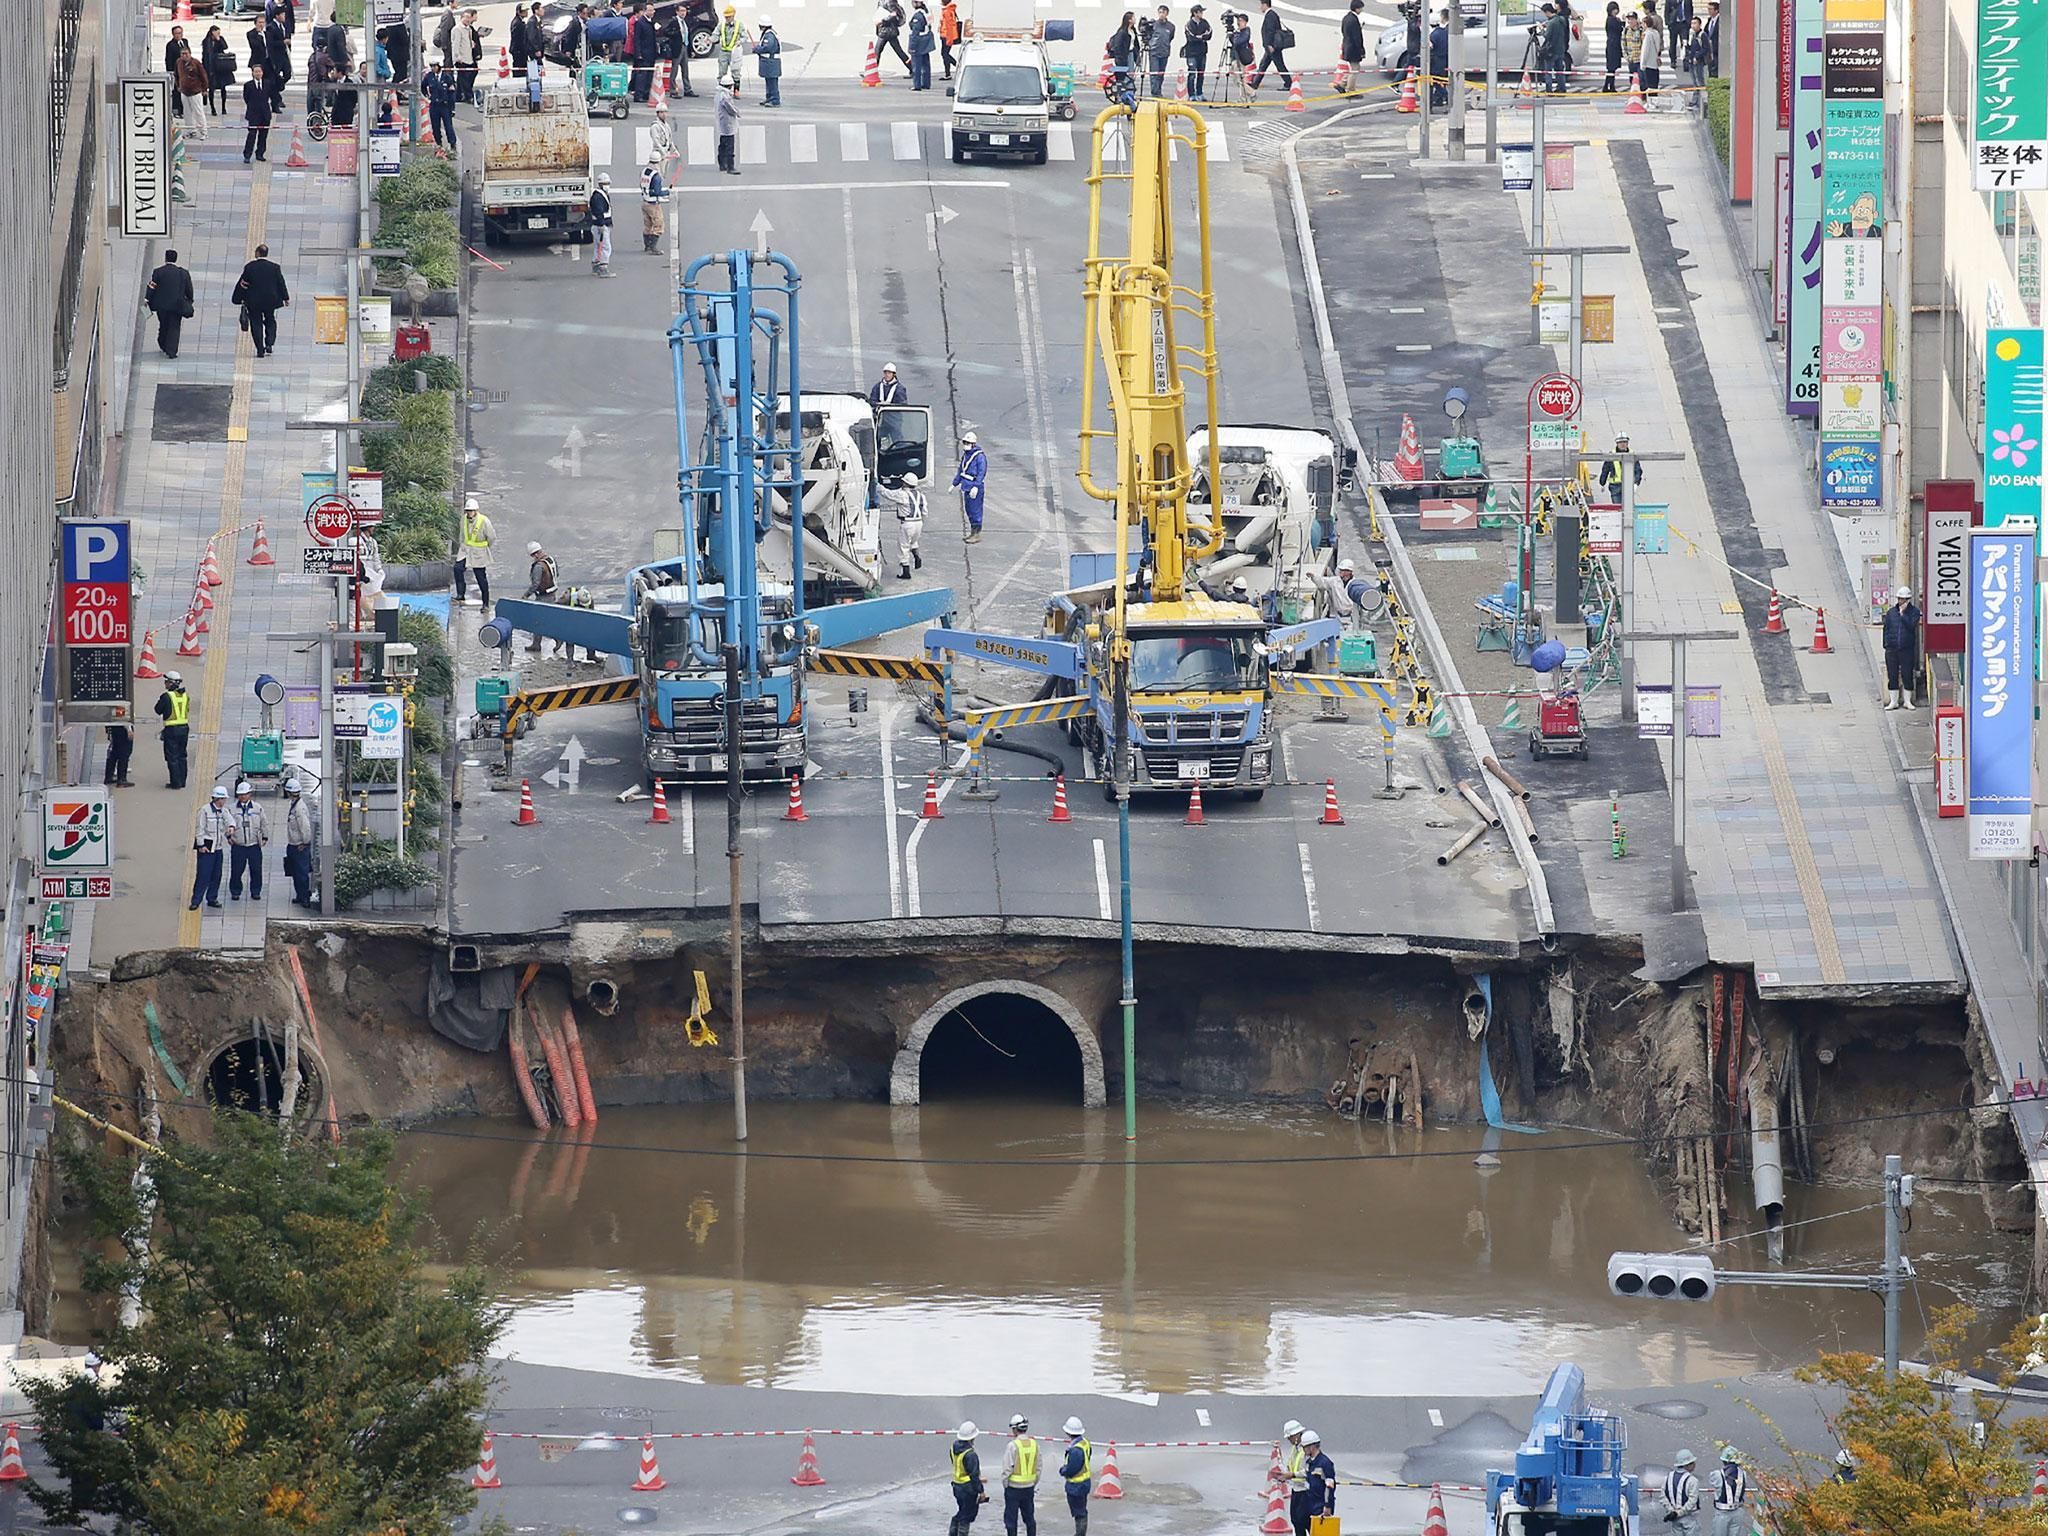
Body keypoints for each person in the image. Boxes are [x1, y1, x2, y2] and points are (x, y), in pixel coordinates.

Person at [232, 243, 289, 359]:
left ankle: (259, 349)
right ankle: (269, 343)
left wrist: (239, 298)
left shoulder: (250, 267)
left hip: (254, 301)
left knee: (256, 322)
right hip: (270, 300)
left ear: (257, 253)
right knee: (270, 319)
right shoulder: (275, 267)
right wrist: (285, 297)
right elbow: (281, 283)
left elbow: (243, 283)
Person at [146, 251, 195, 360]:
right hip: (177, 305)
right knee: (174, 327)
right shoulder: (183, 273)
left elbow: (152, 287)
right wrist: (190, 300)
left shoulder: (158, 272)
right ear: (176, 259)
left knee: (163, 324)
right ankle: (171, 351)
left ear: (165, 258)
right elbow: (189, 289)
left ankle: (162, 343)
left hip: (161, 306)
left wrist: (147, 299)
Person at [226, 780, 268, 901]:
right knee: (236, 870)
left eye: (245, 794)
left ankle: (256, 891)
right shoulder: (231, 809)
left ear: (250, 794)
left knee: (256, 870)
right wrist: (228, 837)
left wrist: (265, 837)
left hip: (254, 845)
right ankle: (235, 891)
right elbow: (226, 824)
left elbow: (264, 823)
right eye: (240, 794)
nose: (243, 797)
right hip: (238, 845)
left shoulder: (257, 808)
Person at [190, 787, 230, 912]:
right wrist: (201, 845)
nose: (224, 801)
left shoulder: (223, 811)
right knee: (203, 875)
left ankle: (212, 898)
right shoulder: (204, 811)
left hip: (218, 848)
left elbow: (229, 820)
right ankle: (196, 900)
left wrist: (231, 828)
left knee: (216, 875)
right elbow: (200, 829)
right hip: (207, 848)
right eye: (222, 799)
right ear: (217, 798)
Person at [1000, 1414, 1039, 1536]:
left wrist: (1005, 1484)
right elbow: (1039, 1468)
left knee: (1011, 1520)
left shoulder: (1013, 1445)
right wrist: (1033, 1482)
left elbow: (1007, 1469)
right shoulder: (1034, 1444)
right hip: (1029, 1488)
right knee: (1029, 1518)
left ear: (1015, 1429)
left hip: (1013, 1489)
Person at [1882, 585, 1920, 709]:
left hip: (1907, 648)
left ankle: (1907, 700)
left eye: (1903, 599)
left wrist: (1903, 615)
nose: (1900, 602)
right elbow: (1886, 628)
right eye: (1899, 599)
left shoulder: (1914, 612)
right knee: (1892, 674)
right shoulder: (1891, 612)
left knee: (1907, 673)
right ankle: (1893, 701)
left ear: (1908, 600)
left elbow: (1911, 626)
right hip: (1892, 648)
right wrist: (1886, 644)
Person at [282, 778, 316, 907]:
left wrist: (305, 842)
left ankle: (304, 897)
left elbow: (305, 827)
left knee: (301, 873)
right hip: (293, 844)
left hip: (299, 846)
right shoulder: (295, 805)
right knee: (295, 872)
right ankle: (300, 895)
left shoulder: (299, 808)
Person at [949, 1421, 986, 1536]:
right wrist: (981, 1491)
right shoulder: (970, 1454)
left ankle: (953, 1532)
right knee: (967, 1516)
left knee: (961, 1512)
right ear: (972, 1437)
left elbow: (959, 1467)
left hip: (956, 1486)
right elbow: (973, 1476)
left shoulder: (953, 1448)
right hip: (968, 1490)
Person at [456, 495, 495, 605]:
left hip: (479, 553)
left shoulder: (484, 521)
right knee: (458, 569)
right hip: (465, 551)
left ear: (476, 511)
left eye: (471, 511)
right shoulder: (464, 519)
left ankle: (485, 603)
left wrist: (484, 547)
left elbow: (491, 537)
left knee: (481, 578)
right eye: (468, 511)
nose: (469, 513)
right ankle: (460, 595)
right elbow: (461, 534)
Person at [155, 672, 192, 788]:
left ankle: (175, 783)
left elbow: (158, 710)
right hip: (184, 729)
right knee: (182, 755)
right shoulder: (185, 695)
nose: (165, 684)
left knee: (172, 757)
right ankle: (182, 781)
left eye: (166, 682)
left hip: (171, 730)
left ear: (171, 683)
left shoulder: (167, 696)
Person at [887, 472, 927, 577]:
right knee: (913, 541)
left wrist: (878, 487)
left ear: (905, 483)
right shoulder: (921, 495)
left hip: (907, 523)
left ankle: (906, 572)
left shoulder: (902, 494)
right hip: (919, 522)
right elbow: (925, 512)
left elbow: (888, 494)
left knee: (903, 546)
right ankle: (917, 556)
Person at [952, 430, 987, 542]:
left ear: (973, 444)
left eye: (968, 443)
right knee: (969, 509)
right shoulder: (966, 456)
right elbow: (961, 470)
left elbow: (981, 472)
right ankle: (972, 532)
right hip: (966, 485)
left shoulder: (979, 457)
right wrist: (955, 483)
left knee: (975, 510)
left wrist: (976, 486)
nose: (965, 445)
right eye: (965, 442)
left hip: (974, 486)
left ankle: (977, 533)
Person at [1299, 1429, 1336, 1536]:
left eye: (1304, 1447)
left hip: (1321, 1506)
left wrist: (1327, 1506)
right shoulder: (1310, 1462)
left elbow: (1330, 1486)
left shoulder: (1325, 1463)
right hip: (1310, 1503)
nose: (1303, 1450)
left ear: (1312, 1447)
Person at [1058, 1419, 1091, 1536]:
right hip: (1084, 1483)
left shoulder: (1075, 1450)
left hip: (1076, 1486)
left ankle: (1080, 1534)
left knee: (1079, 1513)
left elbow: (1072, 1469)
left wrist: (1063, 1470)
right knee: (1081, 1511)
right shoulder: (1084, 1443)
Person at [1708, 1447, 1751, 1536]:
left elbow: (1712, 1481)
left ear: (1724, 1461)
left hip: (1722, 1512)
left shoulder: (1717, 1474)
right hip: (1738, 1510)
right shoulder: (1743, 1474)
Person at [1253, 0, 1292, 90]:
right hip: (1271, 46)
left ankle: (1288, 83)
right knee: (1263, 65)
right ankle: (1255, 83)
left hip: (1272, 46)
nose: (1260, 7)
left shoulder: (1270, 15)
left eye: (1261, 5)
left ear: (1265, 5)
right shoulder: (1272, 14)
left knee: (1279, 65)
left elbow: (1270, 31)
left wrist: (1270, 44)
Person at [1662, 1449, 1701, 1536]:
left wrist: (1672, 1511)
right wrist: (1679, 1512)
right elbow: (1692, 1501)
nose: (1695, 1464)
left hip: (1674, 1518)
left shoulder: (1668, 1477)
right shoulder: (1692, 1480)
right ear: (1687, 1465)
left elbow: (1663, 1496)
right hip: (1690, 1517)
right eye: (1693, 1462)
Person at [176, 46, 211, 139]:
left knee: (198, 112)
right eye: (182, 54)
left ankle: (204, 132)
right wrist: (178, 85)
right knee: (187, 113)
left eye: (186, 54)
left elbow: (203, 75)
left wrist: (204, 88)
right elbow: (176, 75)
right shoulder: (179, 62)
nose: (184, 56)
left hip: (195, 91)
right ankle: (190, 131)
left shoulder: (196, 63)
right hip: (184, 91)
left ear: (190, 54)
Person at [241, 64, 273, 161]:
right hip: (253, 114)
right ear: (253, 73)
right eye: (256, 71)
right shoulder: (248, 85)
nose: (258, 73)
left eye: (259, 71)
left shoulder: (268, 83)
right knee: (252, 135)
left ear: (262, 73)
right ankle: (247, 154)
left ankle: (260, 153)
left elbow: (271, 96)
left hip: (265, 114)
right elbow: (246, 98)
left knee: (263, 136)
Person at [424, 60, 458, 151]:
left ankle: (452, 143)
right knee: (435, 126)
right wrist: (427, 96)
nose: (433, 68)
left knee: (448, 125)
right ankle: (438, 143)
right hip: (434, 105)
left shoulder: (446, 77)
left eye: (435, 66)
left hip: (445, 105)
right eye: (432, 66)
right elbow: (423, 86)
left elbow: (452, 93)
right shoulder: (429, 77)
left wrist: (452, 108)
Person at [1597, 435, 1640, 505]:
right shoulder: (1612, 455)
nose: (1623, 444)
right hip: (1615, 486)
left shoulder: (1632, 454)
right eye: (1620, 442)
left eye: (1624, 442)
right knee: (1617, 508)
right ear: (1617, 444)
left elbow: (1638, 470)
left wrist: (1636, 483)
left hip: (1628, 485)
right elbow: (1605, 469)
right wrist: (1602, 483)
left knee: (1629, 507)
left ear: (1627, 443)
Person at [203, 26, 236, 115]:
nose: (218, 35)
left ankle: (223, 107)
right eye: (216, 33)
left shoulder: (220, 39)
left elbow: (225, 47)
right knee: (212, 88)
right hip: (211, 67)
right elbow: (206, 56)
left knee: (223, 88)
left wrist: (218, 39)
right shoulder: (207, 41)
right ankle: (212, 108)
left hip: (220, 67)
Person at [1105, 12, 1138, 100]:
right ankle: (1124, 95)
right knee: (1124, 76)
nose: (1135, 19)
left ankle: (1130, 94)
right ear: (1129, 20)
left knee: (1131, 75)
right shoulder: (1122, 32)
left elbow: (1135, 44)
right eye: (1133, 17)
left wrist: (1137, 57)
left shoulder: (1133, 30)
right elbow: (1118, 46)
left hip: (1131, 54)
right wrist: (1120, 59)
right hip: (1123, 56)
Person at [452, 8, 481, 104]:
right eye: (466, 17)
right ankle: (469, 96)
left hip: (469, 57)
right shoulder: (457, 29)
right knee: (464, 77)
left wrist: (472, 44)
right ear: (462, 18)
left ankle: (458, 95)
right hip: (461, 58)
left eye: (469, 18)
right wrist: (457, 56)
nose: (468, 20)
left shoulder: (469, 29)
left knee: (463, 77)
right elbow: (456, 44)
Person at [1145, 6, 1175, 96]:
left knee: (1161, 74)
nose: (1161, 14)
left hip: (1164, 52)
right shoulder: (1153, 25)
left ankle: (1159, 90)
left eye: (1163, 12)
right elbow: (1148, 36)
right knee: (1154, 73)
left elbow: (1171, 38)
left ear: (1167, 14)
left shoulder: (1171, 26)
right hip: (1154, 52)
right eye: (1160, 12)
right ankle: (1154, 92)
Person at [1182, 4, 1211, 97]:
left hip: (1202, 52)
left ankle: (1200, 93)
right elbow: (1191, 37)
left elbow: (1209, 34)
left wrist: (1200, 36)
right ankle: (1191, 94)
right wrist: (1201, 37)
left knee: (1201, 73)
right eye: (1200, 12)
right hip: (1191, 52)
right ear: (1195, 13)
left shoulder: (1205, 23)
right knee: (1192, 74)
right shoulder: (1189, 24)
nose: (1202, 13)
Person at [716, 5, 749, 85]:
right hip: (724, 52)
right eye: (726, 17)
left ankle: (736, 90)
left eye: (729, 17)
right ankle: (722, 88)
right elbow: (716, 34)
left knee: (736, 71)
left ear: (733, 16)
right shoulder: (721, 25)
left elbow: (745, 36)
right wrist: (710, 39)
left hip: (734, 52)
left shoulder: (739, 25)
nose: (727, 19)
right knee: (722, 72)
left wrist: (740, 41)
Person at [1542, 0, 1572, 91]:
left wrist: (1542, 29)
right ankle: (1562, 88)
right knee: (1559, 71)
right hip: (1560, 49)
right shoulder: (1561, 20)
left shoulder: (1552, 23)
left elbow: (1547, 36)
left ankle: (1549, 89)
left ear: (1547, 12)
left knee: (1548, 71)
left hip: (1551, 50)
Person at [876, 0, 911, 74]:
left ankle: (872, 71)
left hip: (888, 30)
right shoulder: (882, 1)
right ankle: (912, 68)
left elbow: (894, 15)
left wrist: (882, 21)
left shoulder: (889, 2)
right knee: (899, 51)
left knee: (877, 51)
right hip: (886, 31)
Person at [715, 76, 741, 173]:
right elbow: (730, 108)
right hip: (728, 124)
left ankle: (722, 164)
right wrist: (737, 112)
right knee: (730, 145)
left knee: (723, 144)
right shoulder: (725, 96)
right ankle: (730, 166)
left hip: (723, 123)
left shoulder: (719, 94)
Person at [590, 171, 615, 272]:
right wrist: (602, 225)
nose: (607, 186)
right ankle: (603, 267)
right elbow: (599, 212)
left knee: (598, 246)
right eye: (605, 184)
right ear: (600, 184)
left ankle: (596, 265)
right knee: (605, 247)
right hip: (600, 225)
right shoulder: (598, 197)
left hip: (600, 225)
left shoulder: (600, 195)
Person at [1337, 0, 1364, 90]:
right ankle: (1350, 89)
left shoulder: (1346, 18)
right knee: (1355, 69)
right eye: (1360, 8)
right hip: (1353, 49)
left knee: (1353, 68)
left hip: (1347, 46)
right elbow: (1357, 37)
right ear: (1357, 8)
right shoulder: (1353, 20)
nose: (1361, 10)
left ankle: (1342, 84)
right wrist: (1361, 50)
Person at [1636, 3, 1662, 97]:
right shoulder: (1656, 33)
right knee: (1654, 85)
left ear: (1646, 24)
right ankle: (1654, 101)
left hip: (1648, 64)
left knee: (1649, 85)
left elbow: (1645, 51)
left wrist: (1642, 64)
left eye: (1643, 23)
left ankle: (1651, 103)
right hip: (1654, 62)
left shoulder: (1648, 35)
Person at [909, 0, 936, 90]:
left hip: (919, 41)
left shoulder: (917, 16)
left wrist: (912, 46)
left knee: (917, 65)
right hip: (926, 40)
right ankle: (926, 83)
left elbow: (915, 32)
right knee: (925, 63)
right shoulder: (926, 12)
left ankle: (917, 85)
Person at [641, 159, 667, 251]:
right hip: (653, 204)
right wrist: (666, 192)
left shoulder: (644, 172)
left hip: (644, 201)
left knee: (647, 225)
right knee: (658, 225)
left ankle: (647, 245)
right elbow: (657, 191)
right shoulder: (656, 176)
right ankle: (653, 247)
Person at [756, 20, 783, 104]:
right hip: (769, 63)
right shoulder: (769, 34)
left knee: (772, 82)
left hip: (771, 63)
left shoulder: (769, 36)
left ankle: (775, 99)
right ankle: (769, 97)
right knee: (769, 81)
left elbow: (768, 47)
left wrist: (758, 49)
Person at [1426, 8, 1448, 105]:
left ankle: (1445, 95)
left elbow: (1431, 46)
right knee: (1441, 80)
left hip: (1436, 61)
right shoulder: (1445, 32)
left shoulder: (1435, 34)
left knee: (1435, 81)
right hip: (1445, 60)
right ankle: (1440, 98)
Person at [103, 724, 134, 789]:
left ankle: (109, 776)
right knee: (124, 752)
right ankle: (121, 779)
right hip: (123, 728)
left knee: (114, 751)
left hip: (113, 726)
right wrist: (129, 729)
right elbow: (125, 717)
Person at [1601, 0, 1622, 88]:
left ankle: (1609, 86)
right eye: (1614, 9)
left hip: (1613, 45)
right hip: (1612, 46)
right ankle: (1608, 86)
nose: (1616, 11)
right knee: (1611, 68)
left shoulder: (1613, 19)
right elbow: (1619, 28)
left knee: (1612, 68)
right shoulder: (1611, 20)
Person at [940, 0, 961, 79]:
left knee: (944, 54)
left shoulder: (947, 11)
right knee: (945, 53)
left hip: (946, 36)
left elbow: (948, 26)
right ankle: (953, 68)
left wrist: (949, 39)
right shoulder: (951, 9)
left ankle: (950, 71)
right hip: (949, 35)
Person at [1703, 0, 1719, 74]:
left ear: (1716, 10)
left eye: (1710, 9)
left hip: (1716, 49)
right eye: (1708, 9)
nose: (1708, 11)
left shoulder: (1719, 20)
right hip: (1709, 50)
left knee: (1715, 69)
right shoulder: (1710, 20)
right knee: (1710, 69)